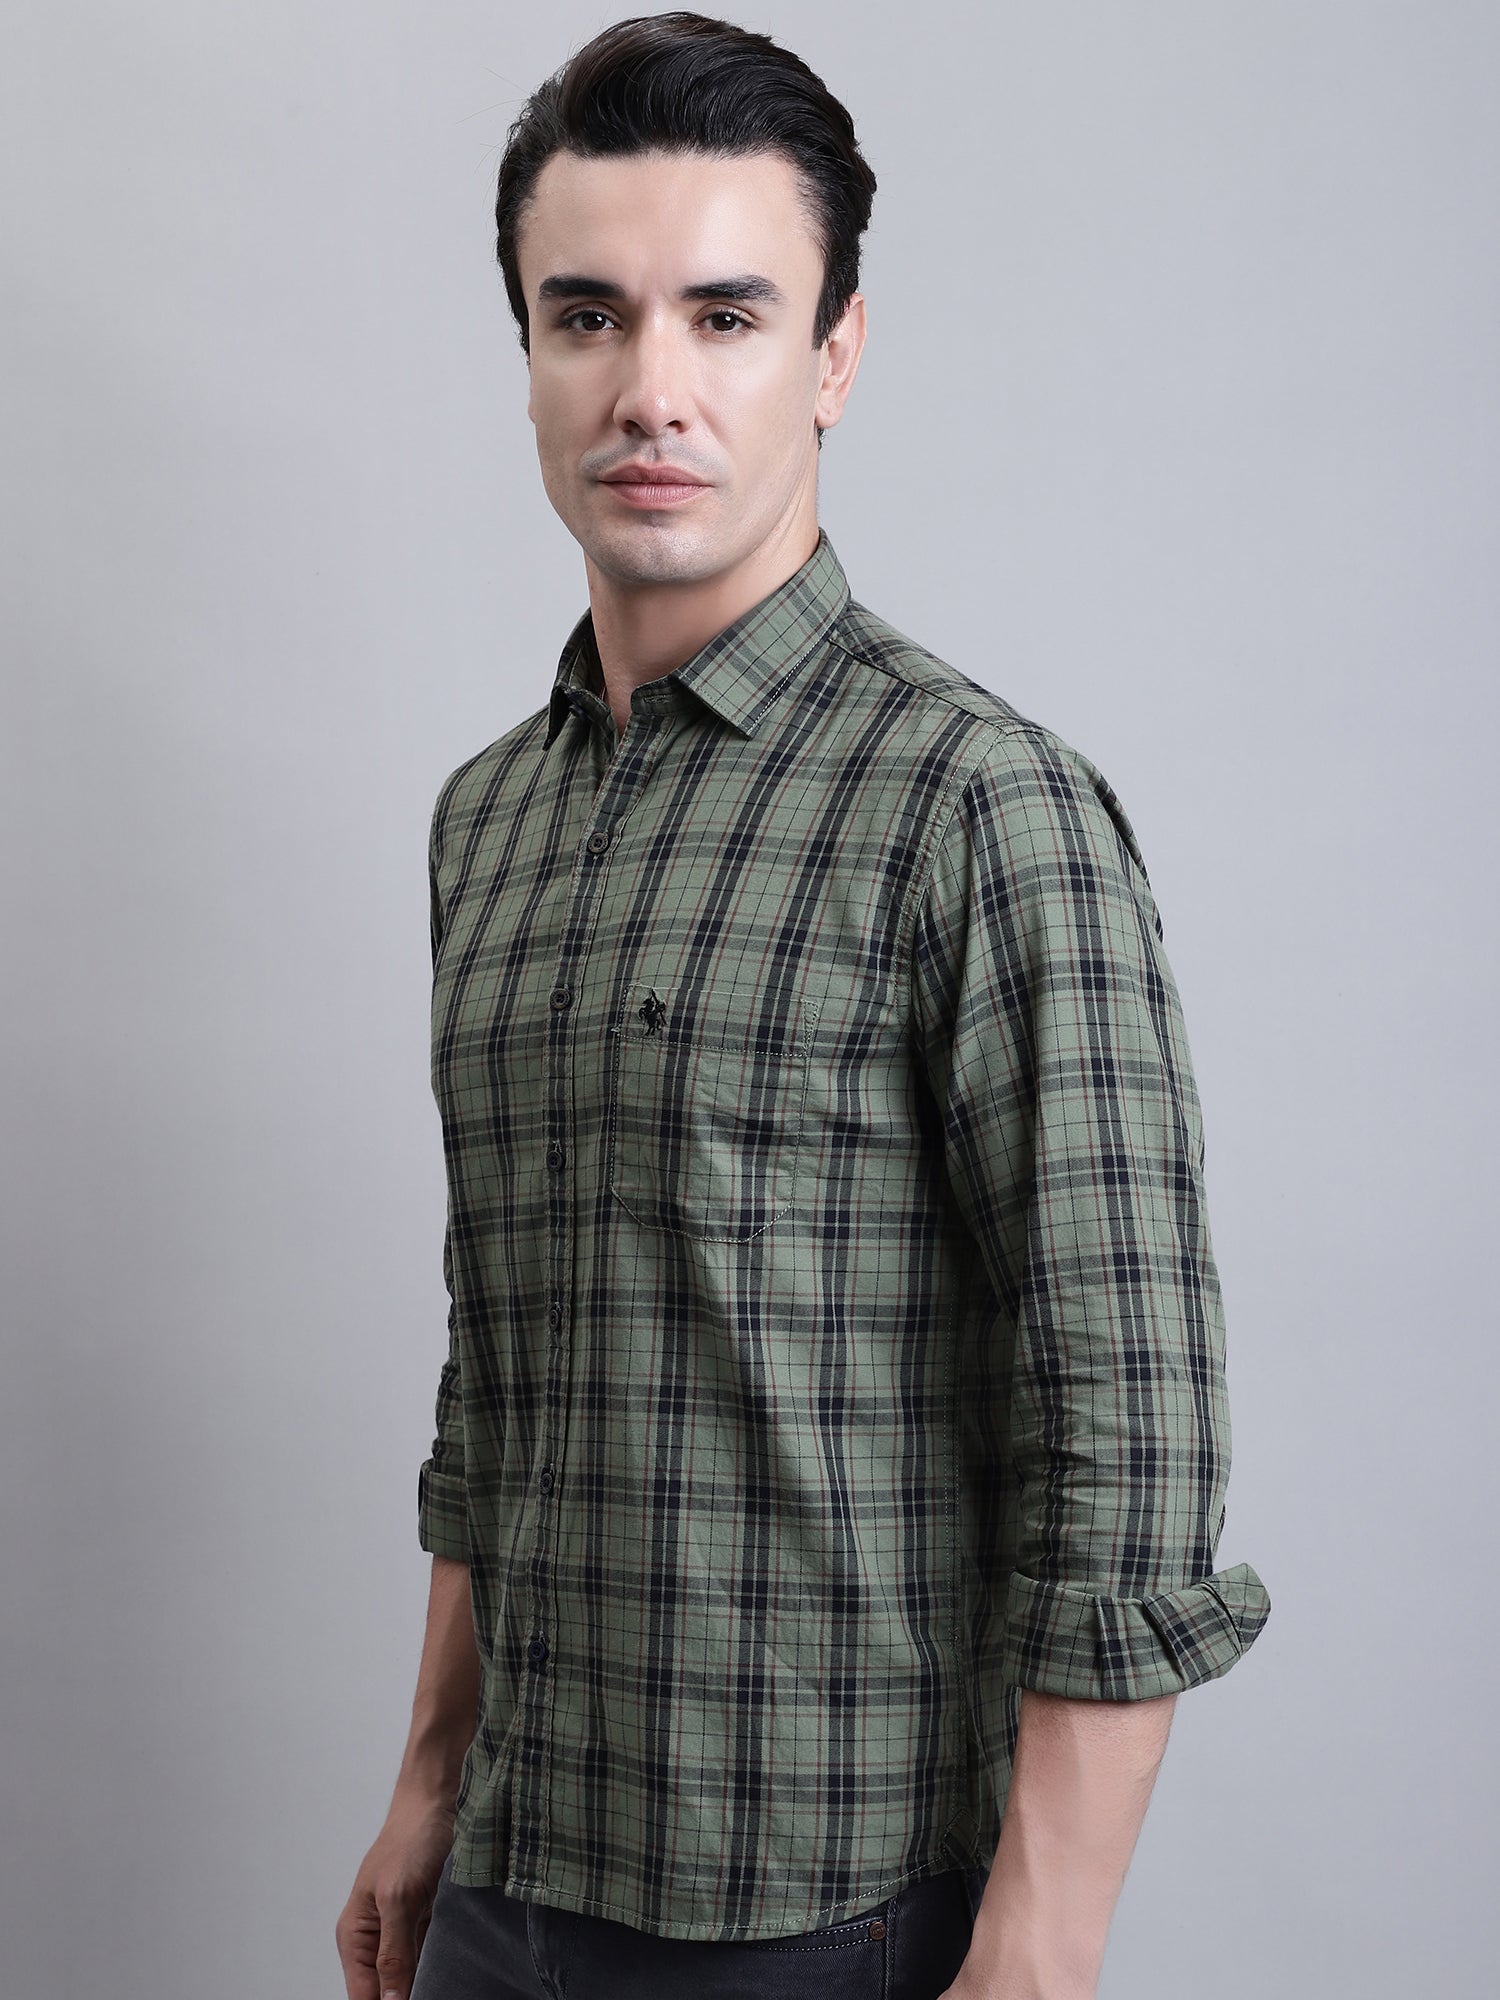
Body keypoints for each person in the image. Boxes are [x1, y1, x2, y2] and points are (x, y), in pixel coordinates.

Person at [335, 13, 1271, 1999]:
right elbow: (503, 1366)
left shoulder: (978, 805)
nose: (649, 389)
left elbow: (1129, 1413)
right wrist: (428, 1781)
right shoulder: (487, 821)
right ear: (526, 355)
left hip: (822, 1913)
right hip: (514, 1873)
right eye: (588, 317)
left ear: (835, 355)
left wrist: (1042, 1941)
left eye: (727, 316)